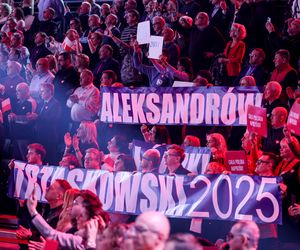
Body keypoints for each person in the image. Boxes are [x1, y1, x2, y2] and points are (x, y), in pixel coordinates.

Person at [27, 189, 110, 250]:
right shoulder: (69, 223)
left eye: (73, 203)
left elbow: (53, 236)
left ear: (85, 208)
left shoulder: (75, 229)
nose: (65, 207)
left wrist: (32, 210)